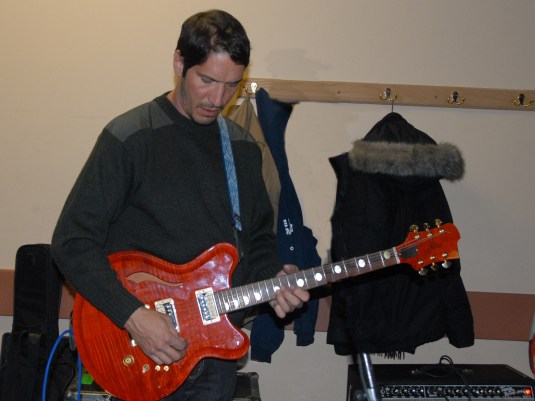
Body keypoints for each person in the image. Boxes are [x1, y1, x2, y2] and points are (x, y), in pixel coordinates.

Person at [51, 9, 309, 401]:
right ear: (179, 63)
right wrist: (133, 316)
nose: (218, 99)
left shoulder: (242, 147)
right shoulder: (131, 137)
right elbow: (72, 243)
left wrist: (274, 278)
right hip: (138, 351)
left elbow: (256, 242)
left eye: (232, 85)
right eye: (207, 80)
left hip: (214, 355)